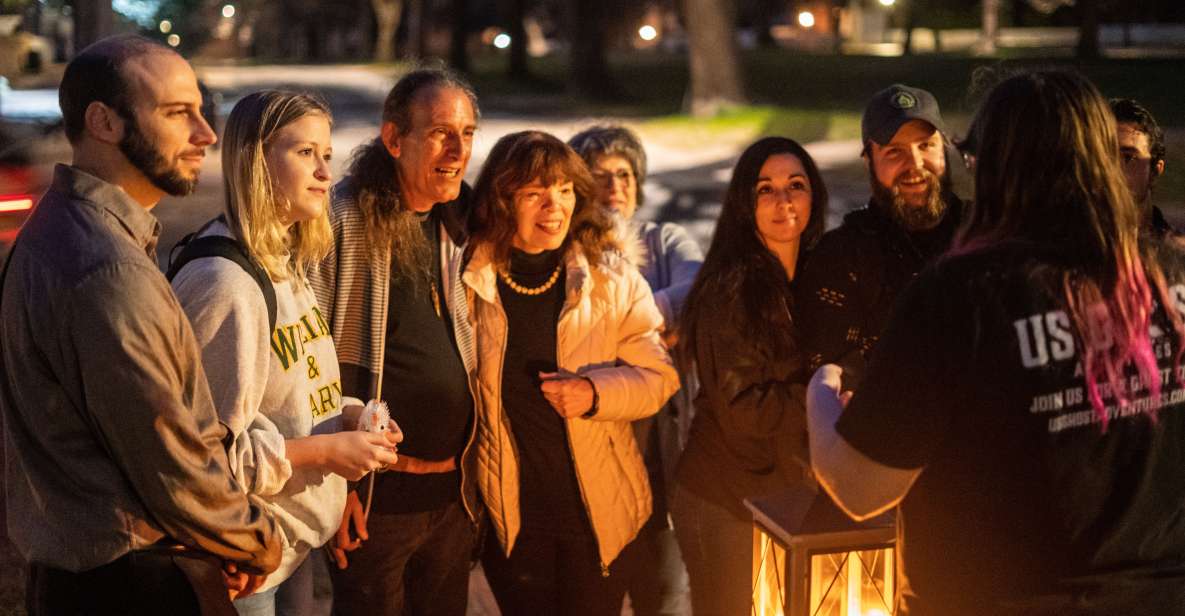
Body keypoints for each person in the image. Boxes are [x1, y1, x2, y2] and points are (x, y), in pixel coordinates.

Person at [808, 70, 1185, 615]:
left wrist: (820, 397)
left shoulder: (962, 297)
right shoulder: (1170, 275)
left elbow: (861, 489)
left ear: (996, 167)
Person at [0, 35, 279, 615]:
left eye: (202, 112)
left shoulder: (62, 228)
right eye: (179, 114)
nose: (205, 134)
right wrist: (255, 539)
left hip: (96, 572)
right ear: (103, 121)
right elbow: (169, 455)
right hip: (133, 583)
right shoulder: (106, 268)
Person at [170, 90, 401, 616]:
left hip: (288, 547)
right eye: (304, 154)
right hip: (245, 565)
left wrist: (345, 417)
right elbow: (205, 454)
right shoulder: (225, 283)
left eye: (325, 154)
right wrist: (325, 453)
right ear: (255, 159)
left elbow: (285, 390)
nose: (325, 173)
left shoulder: (283, 261)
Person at [463, 130, 679, 615]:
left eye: (563, 191)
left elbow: (659, 378)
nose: (554, 206)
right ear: (502, 200)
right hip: (514, 522)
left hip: (599, 518)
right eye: (535, 194)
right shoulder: (470, 281)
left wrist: (594, 392)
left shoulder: (610, 278)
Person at [307, 68, 481, 616]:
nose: (458, 149)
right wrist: (341, 487)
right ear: (393, 139)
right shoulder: (342, 219)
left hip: (451, 497)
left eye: (468, 133)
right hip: (376, 504)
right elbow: (311, 363)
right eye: (440, 133)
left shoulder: (456, 221)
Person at [671, 137, 828, 616]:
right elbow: (745, 412)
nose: (783, 201)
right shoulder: (731, 289)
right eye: (766, 189)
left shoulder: (820, 277)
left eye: (795, 186)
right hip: (724, 499)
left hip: (783, 496)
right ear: (745, 203)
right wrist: (825, 395)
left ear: (813, 195)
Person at [568, 124, 700, 616]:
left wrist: (621, 327)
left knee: (663, 592)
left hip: (661, 452)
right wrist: (649, 334)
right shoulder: (569, 249)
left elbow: (695, 289)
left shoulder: (665, 241)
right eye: (599, 176)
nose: (614, 186)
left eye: (624, 175)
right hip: (592, 447)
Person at [795, 83, 964, 386]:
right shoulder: (841, 256)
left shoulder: (987, 230)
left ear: (946, 147)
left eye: (926, 146)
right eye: (894, 152)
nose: (915, 165)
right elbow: (829, 370)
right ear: (869, 161)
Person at [1111, 98, 1174, 236]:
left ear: (1155, 170)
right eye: (1102, 156)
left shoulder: (1176, 254)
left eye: (1127, 158)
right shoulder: (1068, 250)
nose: (1112, 170)